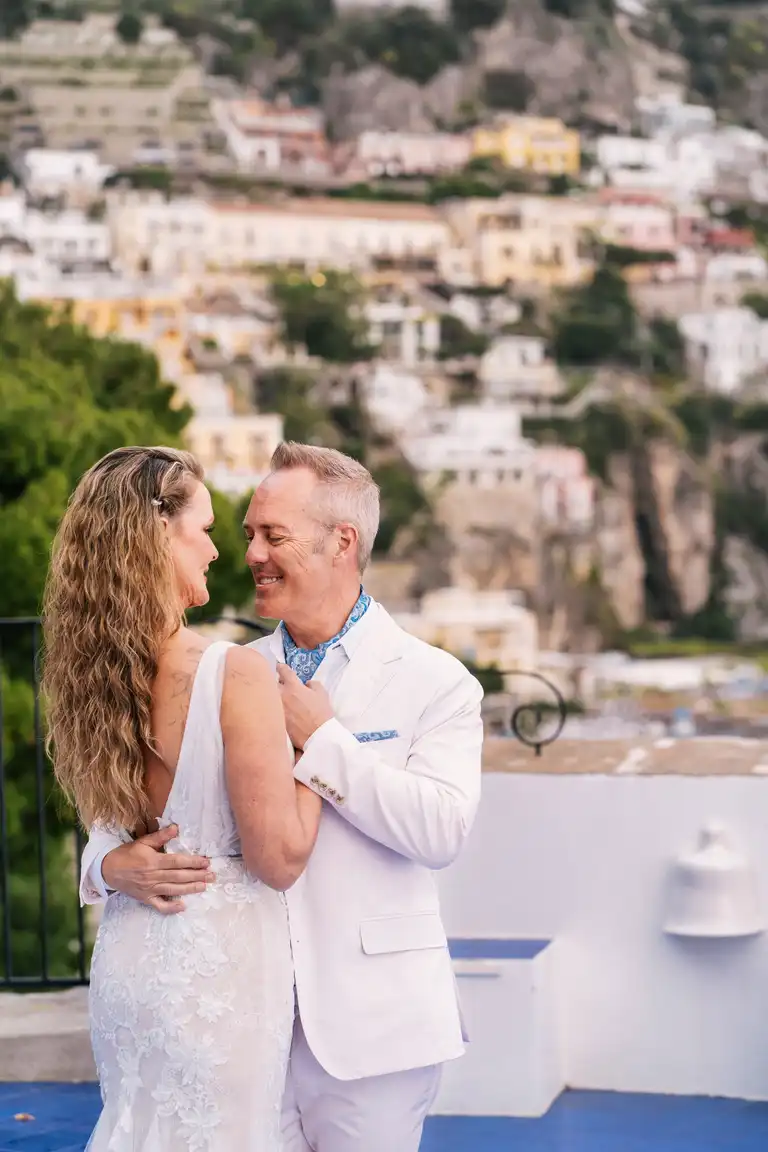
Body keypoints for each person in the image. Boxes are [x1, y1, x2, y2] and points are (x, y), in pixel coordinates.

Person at [80, 441, 485, 1152]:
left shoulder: (436, 680)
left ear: (342, 541)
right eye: (247, 536)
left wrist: (325, 740)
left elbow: (442, 831)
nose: (252, 555)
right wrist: (109, 867)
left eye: (275, 536)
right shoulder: (227, 669)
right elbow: (139, 805)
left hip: (370, 1034)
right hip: (235, 1018)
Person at [43, 445, 322, 1151]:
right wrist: (324, 744)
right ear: (157, 535)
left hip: (131, 962)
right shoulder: (235, 673)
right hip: (219, 976)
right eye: (202, 528)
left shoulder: (89, 677)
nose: (216, 550)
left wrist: (108, 867)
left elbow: (105, 829)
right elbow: (281, 858)